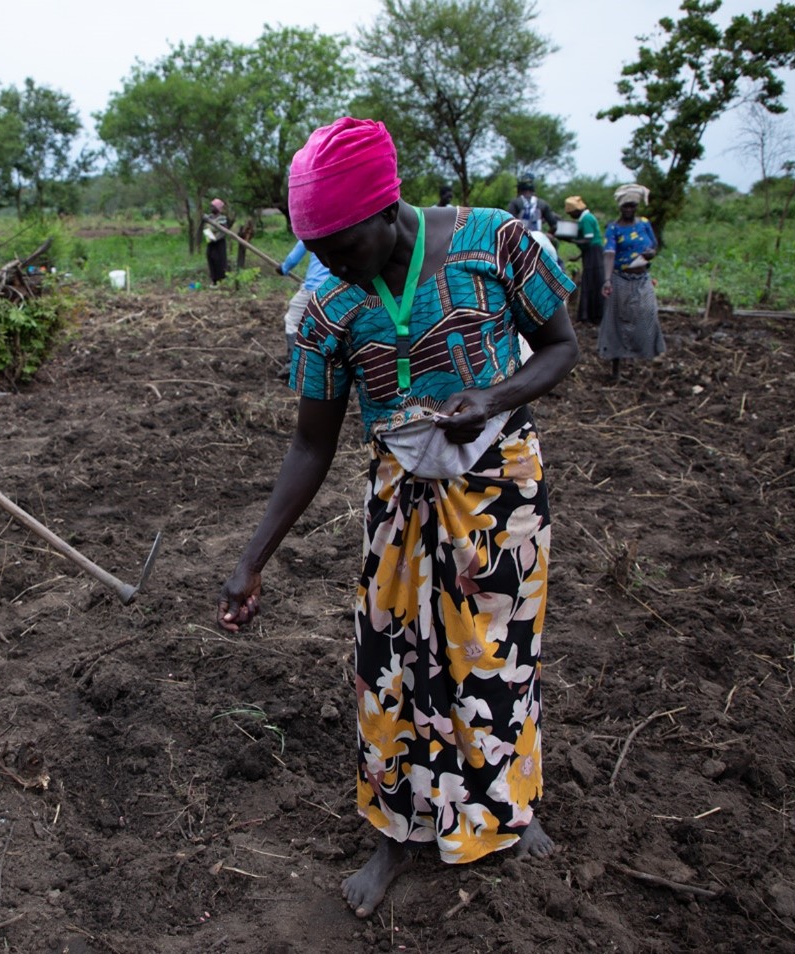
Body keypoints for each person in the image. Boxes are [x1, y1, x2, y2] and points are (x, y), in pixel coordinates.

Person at [217, 118, 578, 918]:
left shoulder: (499, 244)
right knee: (395, 663)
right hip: (401, 499)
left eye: (344, 247)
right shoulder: (327, 305)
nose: (333, 266)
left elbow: (559, 347)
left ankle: (511, 810)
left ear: (389, 209)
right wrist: (254, 557)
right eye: (320, 253)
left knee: (498, 654)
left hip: (499, 493)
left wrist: (493, 395)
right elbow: (310, 446)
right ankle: (396, 831)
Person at [600, 184, 665, 380]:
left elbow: (653, 247)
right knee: (617, 321)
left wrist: (650, 254)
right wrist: (607, 280)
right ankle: (616, 369)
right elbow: (609, 253)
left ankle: (644, 361)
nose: (629, 210)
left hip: (642, 278)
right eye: (625, 206)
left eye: (632, 206)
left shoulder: (644, 224)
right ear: (620, 207)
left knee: (648, 313)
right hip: (621, 278)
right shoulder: (613, 228)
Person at [276, 239, 332, 364]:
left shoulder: (313, 231)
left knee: (292, 320)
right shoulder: (345, 229)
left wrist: (283, 268)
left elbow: (293, 258)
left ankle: (293, 363)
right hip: (339, 287)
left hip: (314, 288)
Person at [562, 195, 605, 326]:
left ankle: (592, 315)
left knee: (592, 282)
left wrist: (571, 240)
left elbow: (588, 239)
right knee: (591, 281)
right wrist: (579, 255)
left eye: (571, 214)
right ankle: (592, 315)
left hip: (594, 254)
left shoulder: (586, 219)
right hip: (591, 253)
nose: (571, 217)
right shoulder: (587, 217)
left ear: (575, 211)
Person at [203, 199, 231, 284]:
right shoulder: (209, 217)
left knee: (219, 261)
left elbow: (223, 232)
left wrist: (215, 238)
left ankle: (221, 280)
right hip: (210, 242)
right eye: (211, 206)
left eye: (213, 207)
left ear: (218, 208)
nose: (211, 208)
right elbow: (206, 226)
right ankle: (214, 280)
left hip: (219, 243)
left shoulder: (222, 218)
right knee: (210, 259)